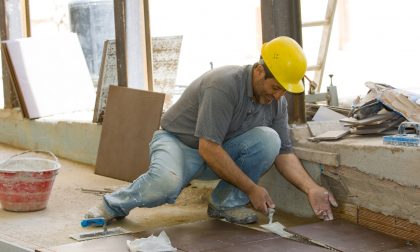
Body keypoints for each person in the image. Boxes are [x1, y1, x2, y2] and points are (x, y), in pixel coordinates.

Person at [85, 36, 338, 224]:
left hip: (216, 153)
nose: (279, 95)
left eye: (284, 90)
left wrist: (312, 188)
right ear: (259, 71)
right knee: (164, 184)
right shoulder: (224, 85)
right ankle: (111, 206)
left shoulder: (277, 102)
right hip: (179, 144)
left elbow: (284, 153)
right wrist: (252, 189)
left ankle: (225, 204)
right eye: (276, 87)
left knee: (270, 140)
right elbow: (208, 147)